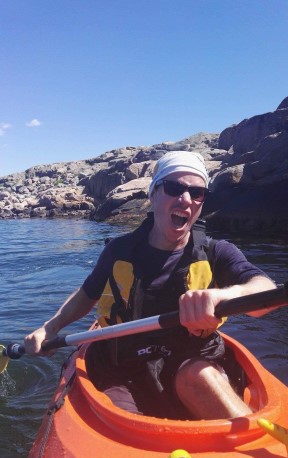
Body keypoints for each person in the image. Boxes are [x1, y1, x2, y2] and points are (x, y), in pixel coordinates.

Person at [25, 151, 276, 420]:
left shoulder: (217, 252)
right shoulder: (119, 251)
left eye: (197, 192)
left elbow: (264, 291)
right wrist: (49, 328)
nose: (186, 199)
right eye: (174, 187)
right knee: (120, 420)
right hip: (122, 370)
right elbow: (88, 294)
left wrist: (228, 294)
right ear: (153, 194)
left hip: (191, 362)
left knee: (199, 376)